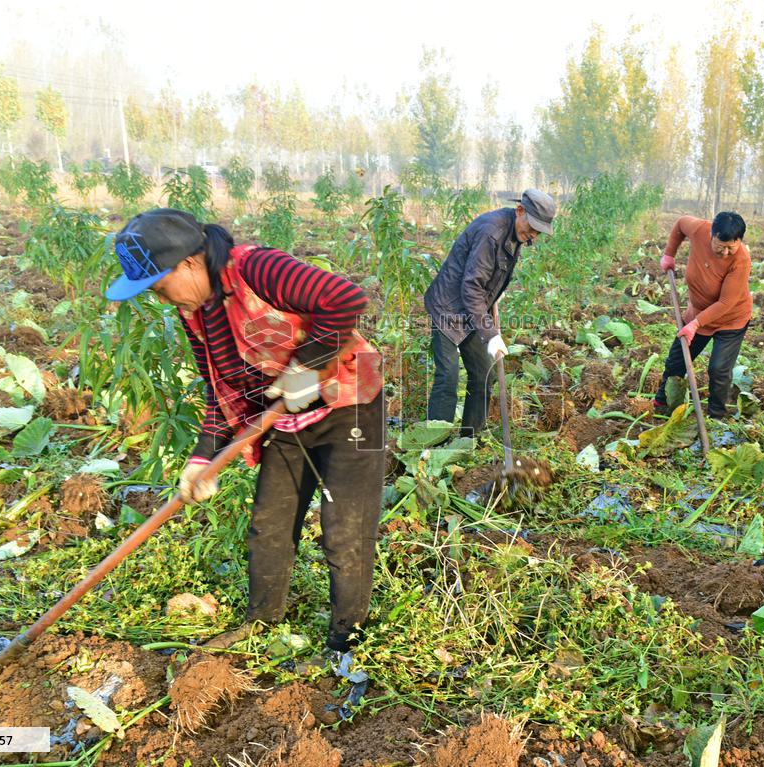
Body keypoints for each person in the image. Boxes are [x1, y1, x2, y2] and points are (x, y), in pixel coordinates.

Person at [105, 208, 384, 653]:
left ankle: (345, 640)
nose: (162, 300)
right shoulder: (195, 310)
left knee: (344, 532)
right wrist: (203, 458)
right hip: (284, 417)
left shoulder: (257, 269)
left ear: (190, 264)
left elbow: (345, 299)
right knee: (268, 525)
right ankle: (261, 622)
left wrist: (306, 367)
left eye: (160, 287)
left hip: (349, 406)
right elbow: (221, 389)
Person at [423, 189, 556, 436]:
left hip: (474, 309)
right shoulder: (491, 232)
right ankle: (433, 446)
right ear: (520, 211)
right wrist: (491, 334)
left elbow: (486, 277)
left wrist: (495, 295)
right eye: (533, 227)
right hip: (448, 308)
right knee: (448, 376)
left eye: (539, 231)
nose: (533, 235)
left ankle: (469, 437)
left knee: (485, 373)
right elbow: (471, 286)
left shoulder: (516, 232)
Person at [653, 211, 752, 419]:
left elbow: (726, 303)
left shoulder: (741, 260)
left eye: (731, 248)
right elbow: (680, 224)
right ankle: (662, 402)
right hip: (697, 313)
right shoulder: (699, 229)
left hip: (730, 320)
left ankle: (716, 416)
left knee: (718, 370)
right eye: (720, 246)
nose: (725, 252)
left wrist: (696, 324)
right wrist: (669, 254)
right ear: (712, 235)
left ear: (739, 241)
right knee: (676, 360)